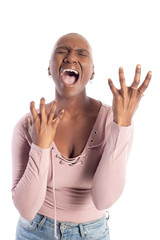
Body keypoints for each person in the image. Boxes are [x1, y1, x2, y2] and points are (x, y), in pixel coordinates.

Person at [11, 33, 152, 240]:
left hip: (93, 233)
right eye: (62, 51)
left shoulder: (113, 119)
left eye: (81, 53)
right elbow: (26, 208)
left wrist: (122, 125)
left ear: (92, 72)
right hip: (34, 231)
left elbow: (104, 200)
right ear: (49, 68)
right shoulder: (27, 125)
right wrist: (40, 145)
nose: (70, 57)